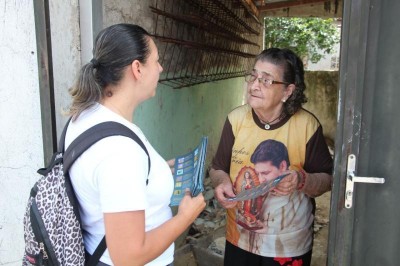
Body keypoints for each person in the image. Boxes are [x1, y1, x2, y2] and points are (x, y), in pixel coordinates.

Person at [65, 23, 205, 266]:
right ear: (137, 69)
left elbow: (108, 183)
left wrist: (157, 169)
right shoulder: (120, 152)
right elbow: (129, 256)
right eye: (156, 61)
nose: (160, 68)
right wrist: (185, 217)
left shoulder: (86, 115)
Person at [210, 48, 333, 266]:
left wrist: (302, 180)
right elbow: (218, 167)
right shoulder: (236, 119)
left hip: (287, 245)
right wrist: (221, 183)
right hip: (240, 238)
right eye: (254, 76)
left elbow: (327, 179)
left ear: (288, 91)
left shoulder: (307, 126)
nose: (254, 85)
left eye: (266, 80)